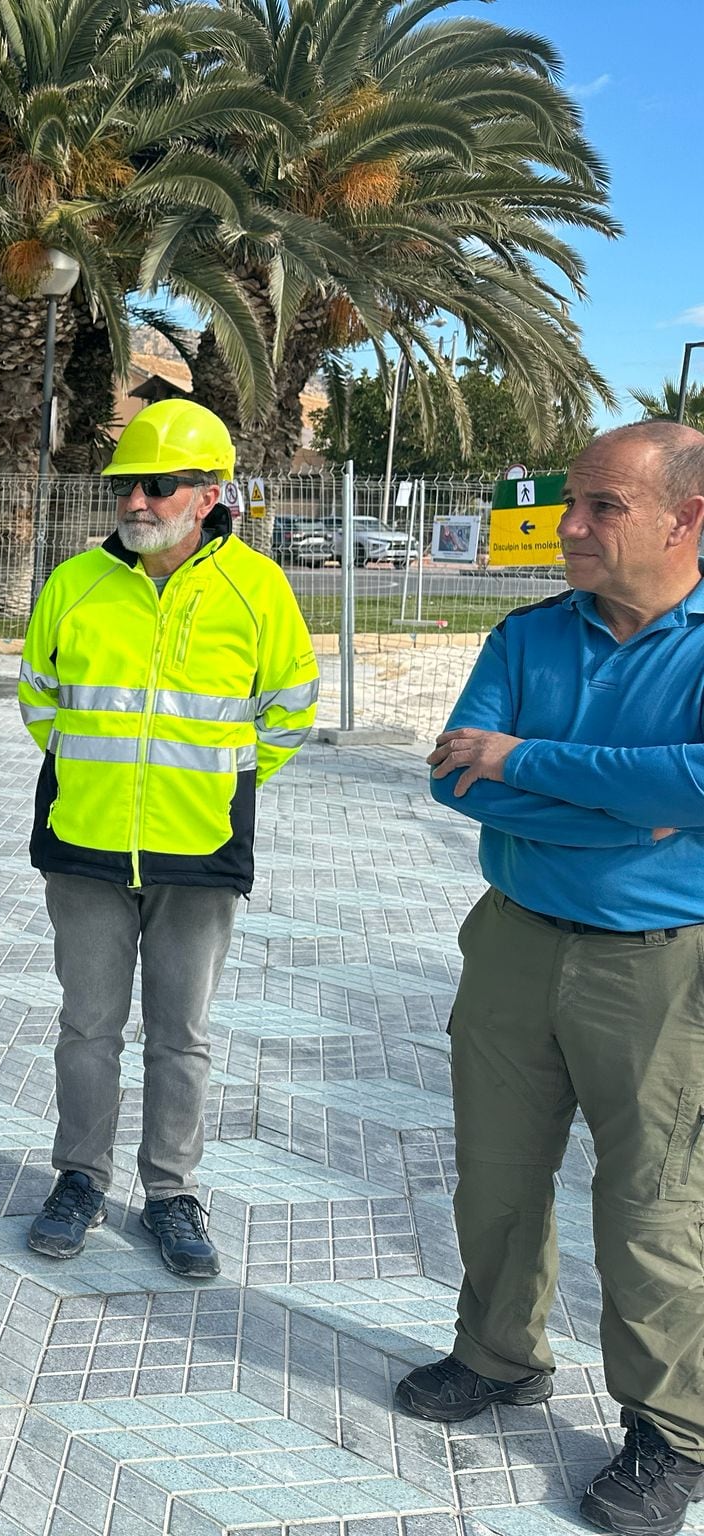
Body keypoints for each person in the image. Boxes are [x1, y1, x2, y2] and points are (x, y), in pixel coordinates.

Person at [394, 421, 704, 1536]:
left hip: (665, 969)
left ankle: (671, 1432)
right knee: (495, 1171)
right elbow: (450, 778)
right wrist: (637, 807)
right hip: (515, 942)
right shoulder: (527, 636)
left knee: (654, 1205)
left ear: (686, 517)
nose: (567, 526)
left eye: (600, 506)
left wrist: (524, 759)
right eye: (568, 502)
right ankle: (496, 1355)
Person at [16, 399, 319, 1278]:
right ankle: (79, 1178)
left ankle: (171, 1193)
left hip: (199, 856)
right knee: (87, 1029)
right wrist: (95, 774)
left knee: (181, 1036)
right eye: (126, 486)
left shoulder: (257, 589)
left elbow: (290, 711)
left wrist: (220, 786)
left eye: (157, 485)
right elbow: (41, 699)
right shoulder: (75, 584)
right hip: (85, 845)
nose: (136, 502)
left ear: (209, 492)